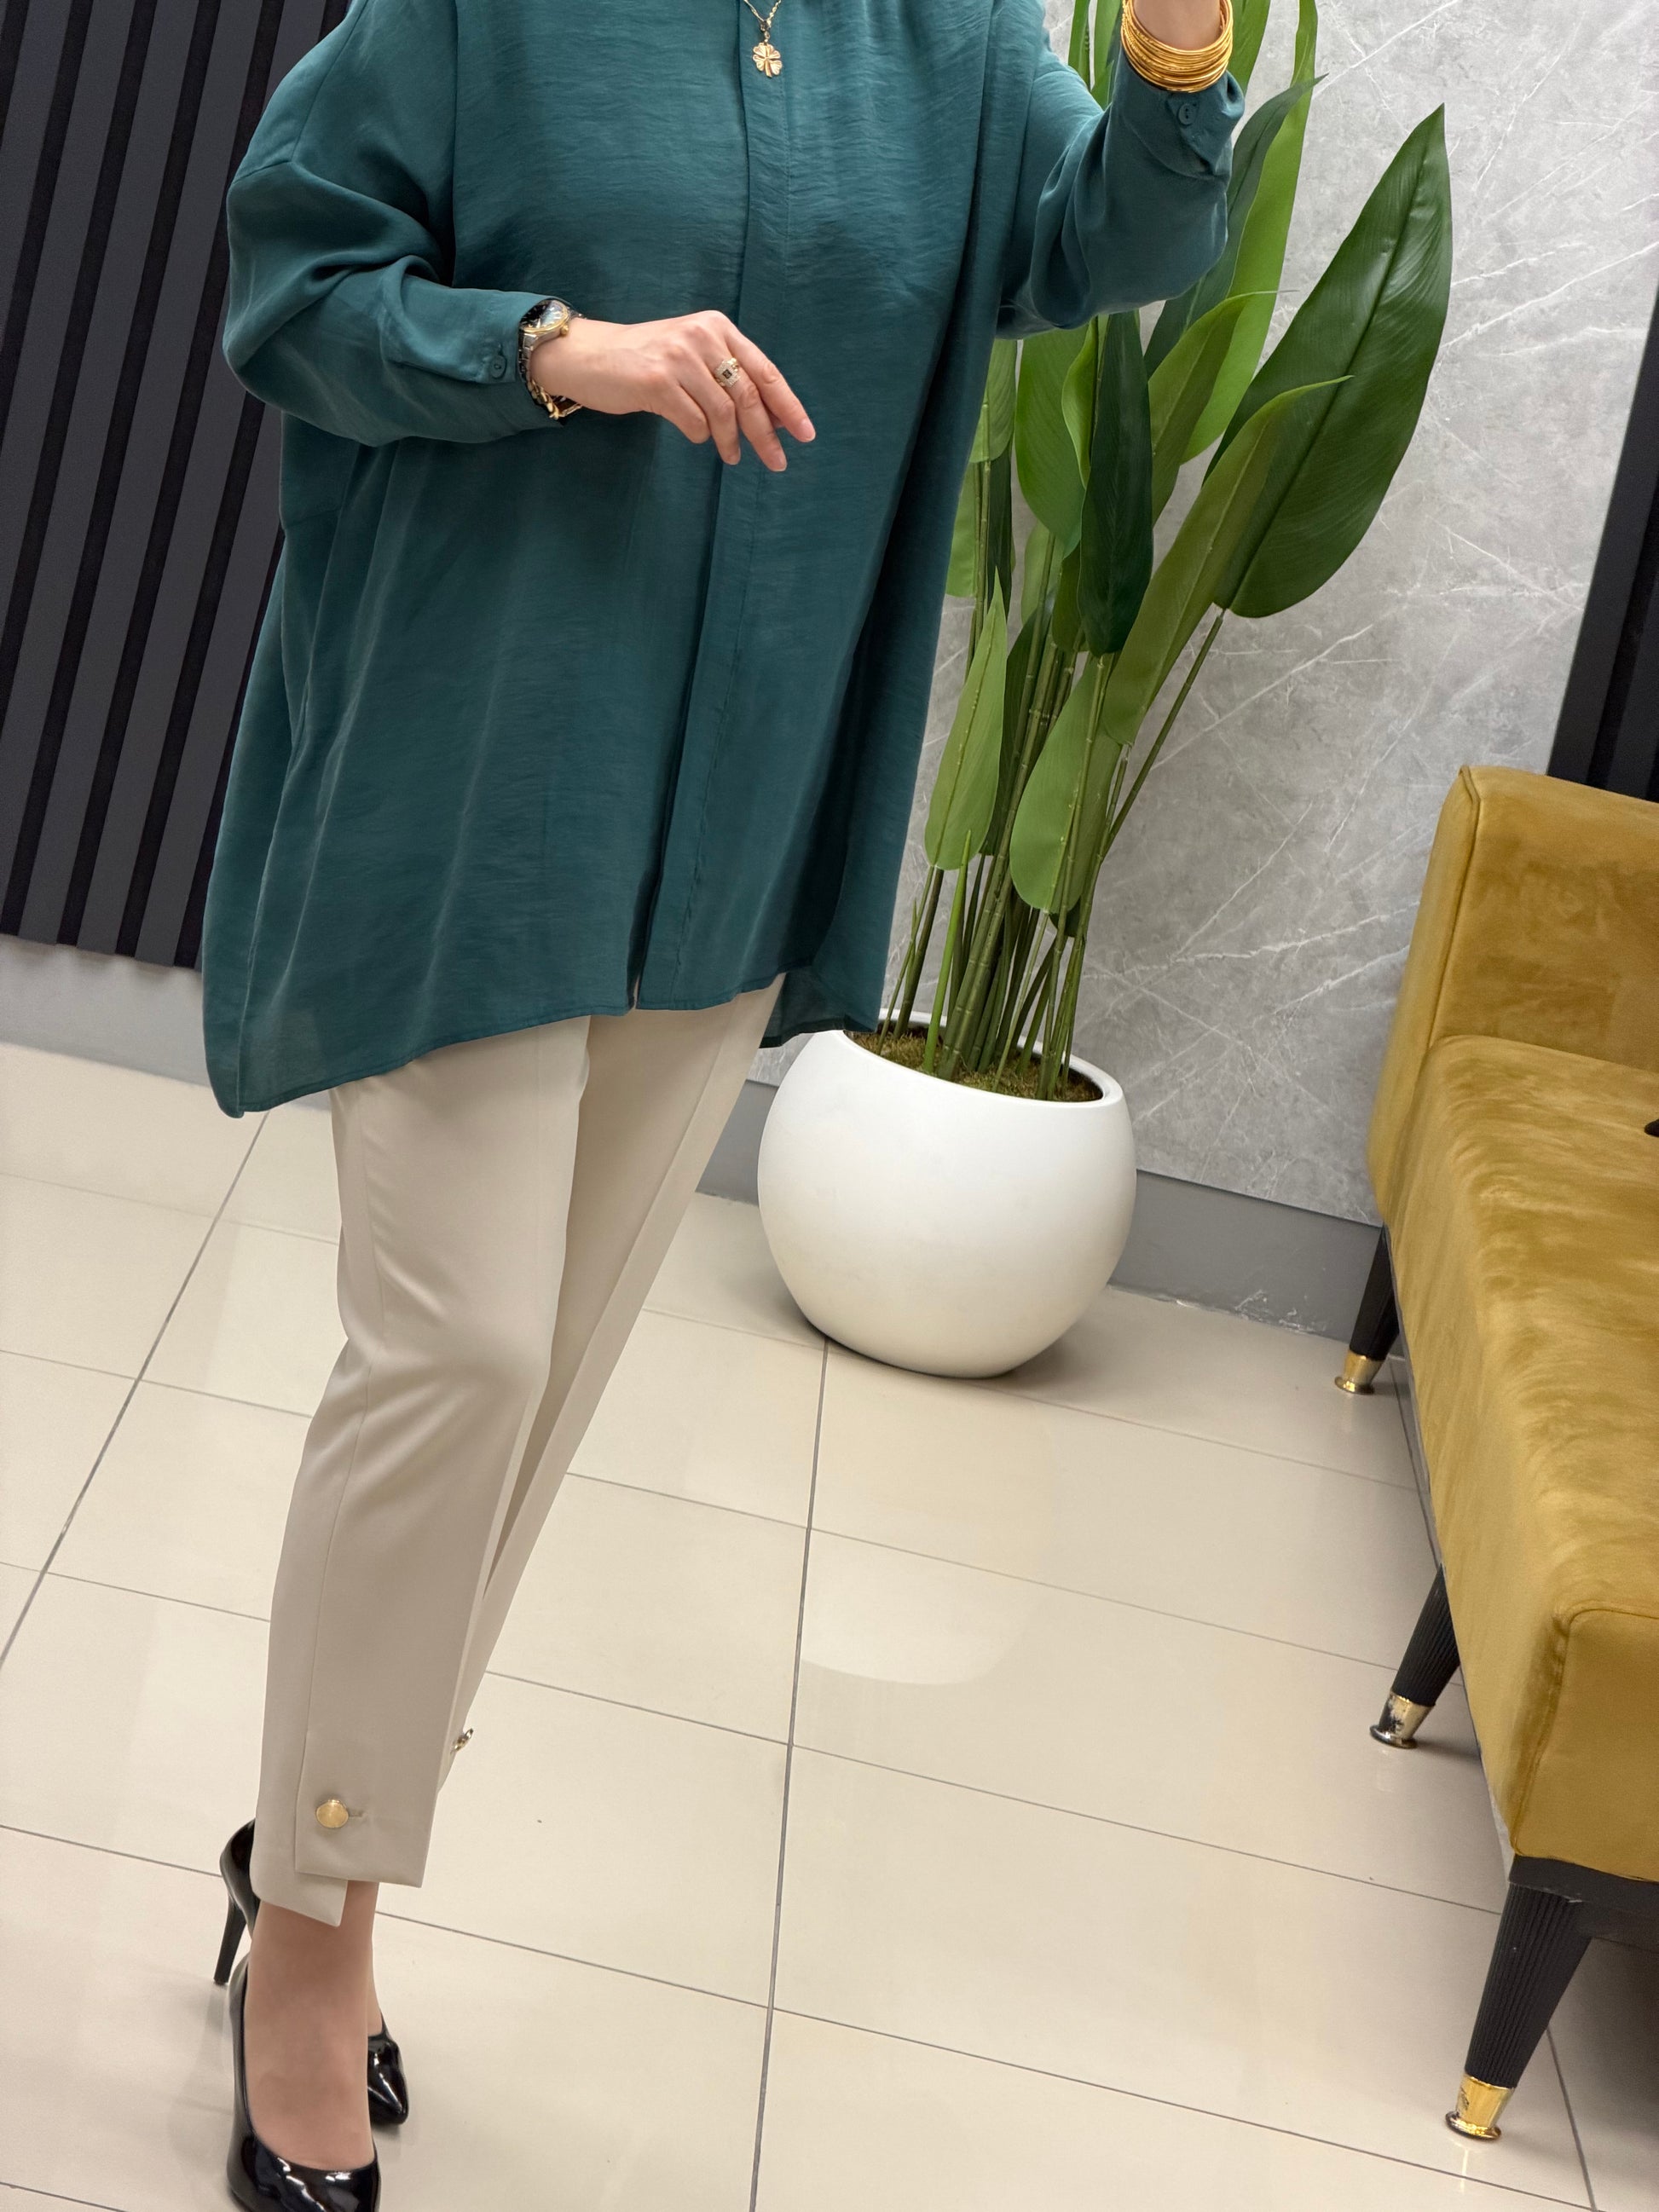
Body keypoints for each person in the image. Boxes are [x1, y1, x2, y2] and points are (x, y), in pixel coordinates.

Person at [204, 0, 1242, 2198]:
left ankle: (314, 1840)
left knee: (533, 1397)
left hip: (732, 812)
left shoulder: (949, 40)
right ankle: (310, 1933)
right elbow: (294, 285)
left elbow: (1101, 249)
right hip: (473, 773)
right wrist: (552, 353)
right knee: (461, 1360)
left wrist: (1174, 73)